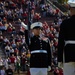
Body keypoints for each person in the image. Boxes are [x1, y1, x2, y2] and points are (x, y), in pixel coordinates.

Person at [58, 0, 75, 75]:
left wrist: (60, 59)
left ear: (71, 10)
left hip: (69, 54)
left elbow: (61, 42)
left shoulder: (65, 23)